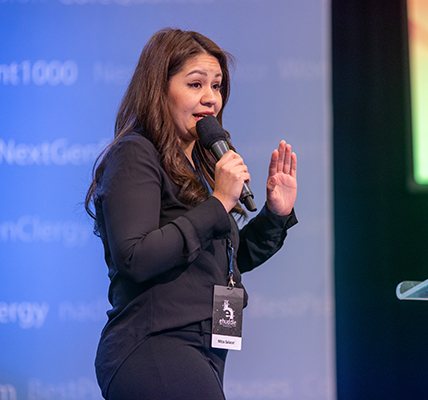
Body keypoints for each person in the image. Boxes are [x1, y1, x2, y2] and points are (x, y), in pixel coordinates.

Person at [85, 27, 298, 400]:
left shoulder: (198, 168)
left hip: (206, 350)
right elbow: (135, 256)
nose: (211, 98)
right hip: (154, 344)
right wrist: (218, 202)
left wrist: (275, 215)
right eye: (196, 84)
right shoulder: (136, 154)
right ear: (159, 89)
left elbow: (223, 261)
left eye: (216, 86)